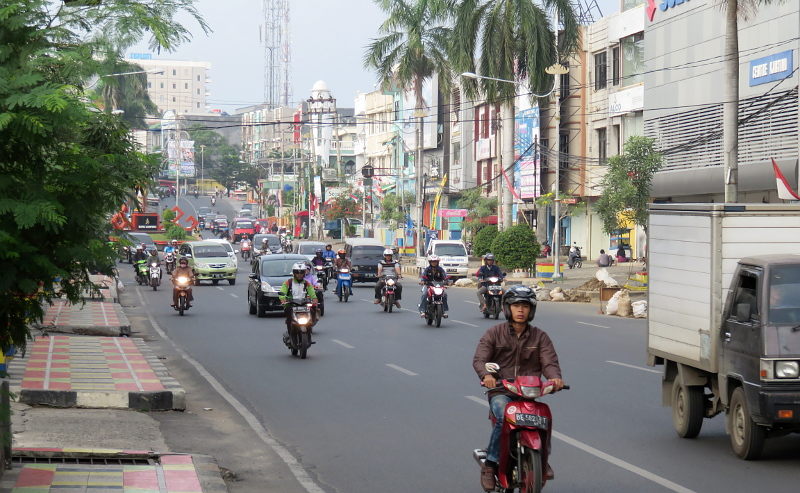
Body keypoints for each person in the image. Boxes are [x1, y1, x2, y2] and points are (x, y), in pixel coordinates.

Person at [472, 285, 564, 491]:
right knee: (504, 414)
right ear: (507, 309)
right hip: (501, 391)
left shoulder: (540, 337)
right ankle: (490, 465)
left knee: (545, 418)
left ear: (531, 310)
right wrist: (486, 375)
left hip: (529, 393)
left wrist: (555, 379)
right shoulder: (494, 333)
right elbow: (480, 359)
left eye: (525, 306)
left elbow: (549, 362)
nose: (520, 310)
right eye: (516, 306)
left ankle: (542, 458)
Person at [278, 262, 319, 333]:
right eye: (297, 272)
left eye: (301, 272)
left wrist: (314, 299)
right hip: (291, 304)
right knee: (288, 313)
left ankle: (310, 326)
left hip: (304, 303)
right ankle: (290, 332)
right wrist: (283, 299)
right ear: (294, 273)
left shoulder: (307, 283)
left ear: (304, 273)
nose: (299, 275)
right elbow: (282, 291)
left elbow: (312, 292)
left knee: (313, 309)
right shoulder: (288, 282)